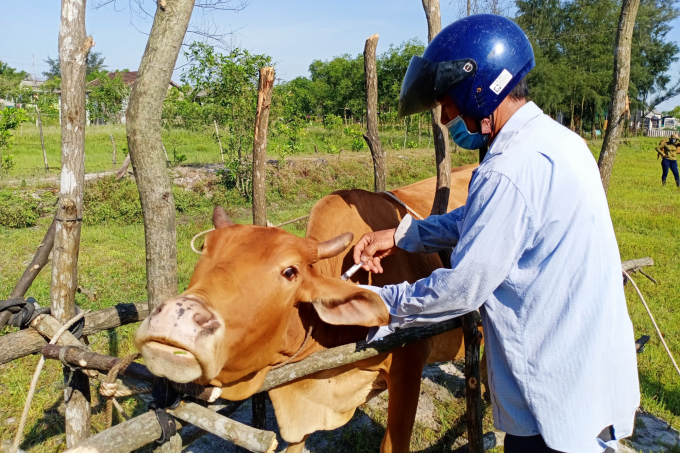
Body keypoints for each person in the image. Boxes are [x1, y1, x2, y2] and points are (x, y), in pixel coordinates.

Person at [353, 14, 639, 453]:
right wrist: (404, 235)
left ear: (479, 88)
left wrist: (376, 302)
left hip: (551, 398)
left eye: (448, 100)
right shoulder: (561, 143)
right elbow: (480, 219)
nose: (447, 116)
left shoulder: (508, 170)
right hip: (591, 368)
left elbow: (463, 287)